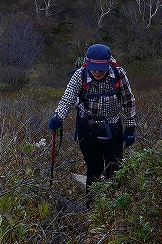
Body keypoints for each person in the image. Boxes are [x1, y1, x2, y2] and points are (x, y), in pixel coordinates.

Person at [49, 43, 137, 188]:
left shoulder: (118, 74)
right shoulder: (80, 75)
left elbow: (128, 100)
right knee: (94, 169)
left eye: (101, 69)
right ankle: (92, 203)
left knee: (115, 168)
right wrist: (58, 116)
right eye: (94, 68)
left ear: (108, 64)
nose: (97, 72)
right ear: (88, 64)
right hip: (87, 128)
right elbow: (68, 98)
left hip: (113, 127)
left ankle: (113, 203)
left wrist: (130, 127)